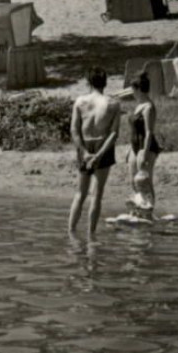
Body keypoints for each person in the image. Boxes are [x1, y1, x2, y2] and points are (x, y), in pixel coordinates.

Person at [68, 68, 121, 237]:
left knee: (80, 194)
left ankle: (71, 233)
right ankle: (91, 236)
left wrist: (83, 152)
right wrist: (99, 155)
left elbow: (74, 130)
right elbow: (114, 133)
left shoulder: (80, 101)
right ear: (105, 82)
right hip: (102, 145)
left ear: (88, 82)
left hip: (85, 144)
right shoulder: (113, 103)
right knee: (96, 195)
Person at [128, 73, 161, 218]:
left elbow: (149, 132)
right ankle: (138, 209)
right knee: (134, 181)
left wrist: (144, 152)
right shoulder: (138, 106)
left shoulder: (148, 107)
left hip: (146, 147)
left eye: (133, 89)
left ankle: (148, 212)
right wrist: (131, 150)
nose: (132, 92)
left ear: (139, 89)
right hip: (134, 147)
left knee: (145, 181)